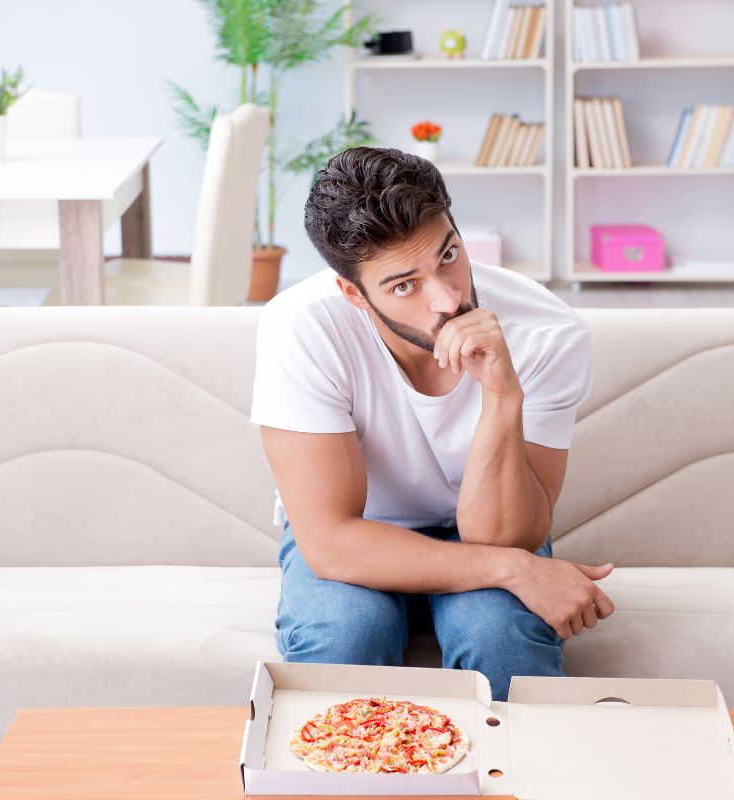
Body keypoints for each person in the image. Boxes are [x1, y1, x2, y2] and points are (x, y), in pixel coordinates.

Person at [250, 147, 615, 701]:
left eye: (448, 255)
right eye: (404, 285)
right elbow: (328, 541)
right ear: (353, 293)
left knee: (503, 640)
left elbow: (502, 538)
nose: (447, 298)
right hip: (360, 530)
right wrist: (514, 572)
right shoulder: (302, 328)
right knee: (343, 636)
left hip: (478, 525)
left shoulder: (546, 333)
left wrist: (501, 393)